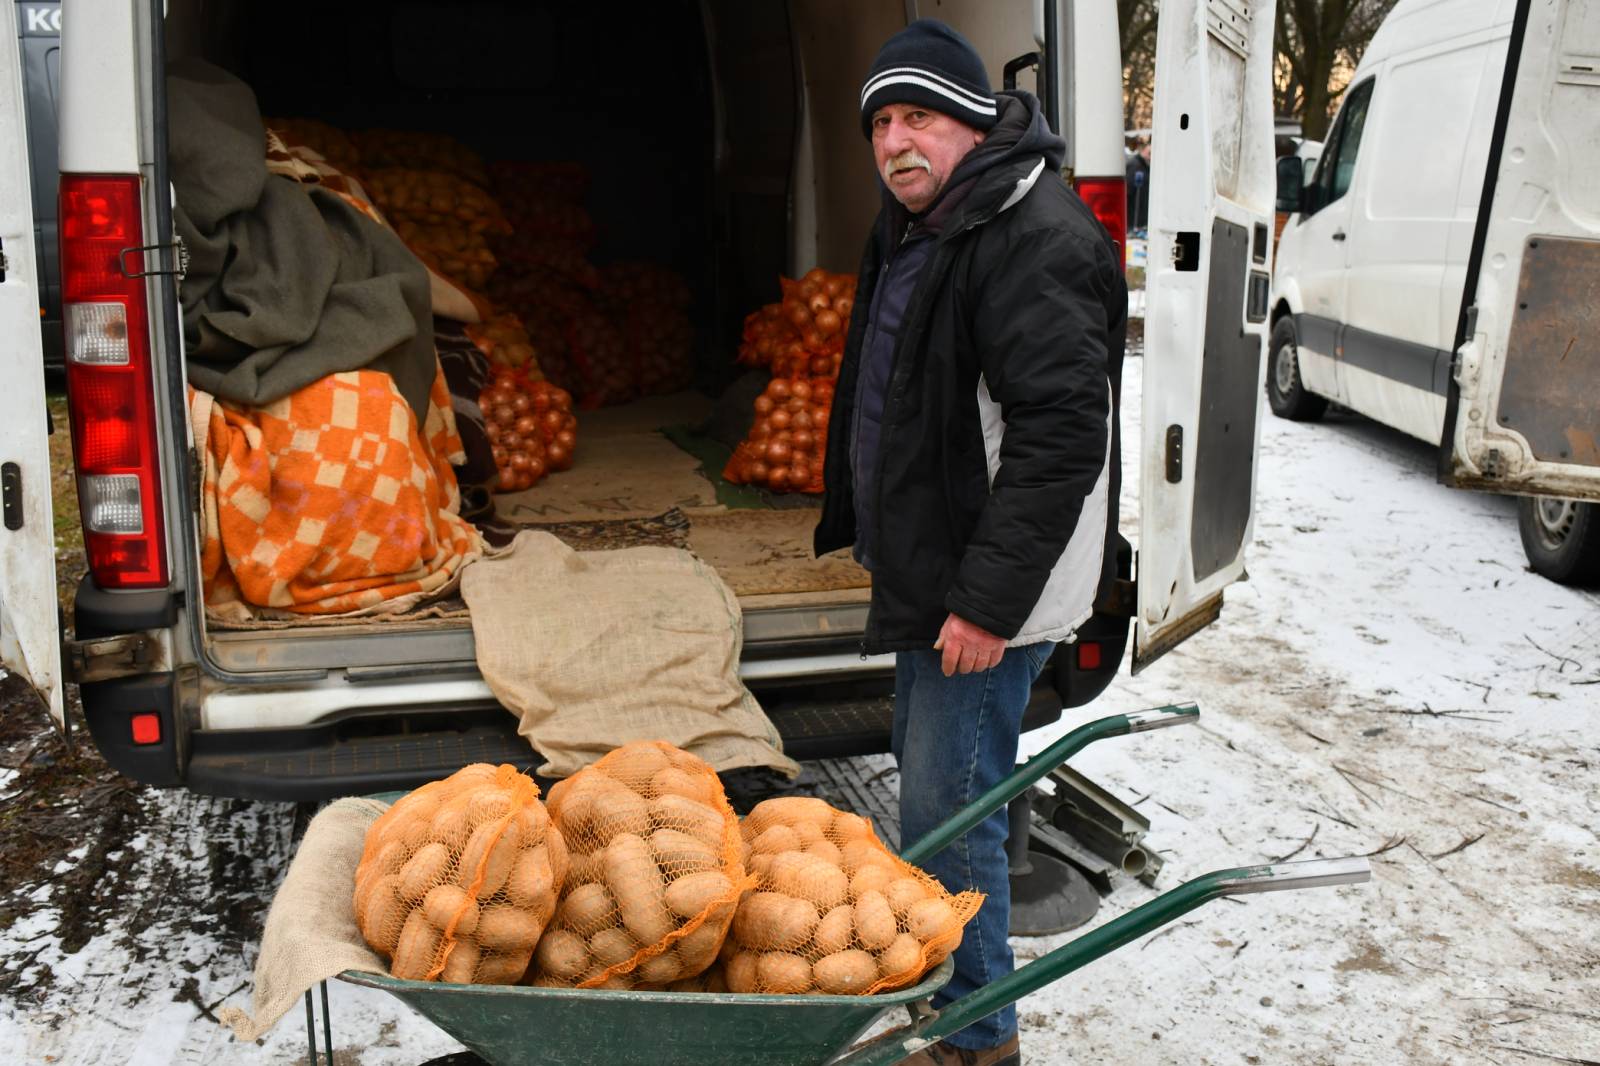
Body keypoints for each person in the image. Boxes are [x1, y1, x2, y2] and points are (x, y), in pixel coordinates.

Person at [814, 18, 1127, 1066]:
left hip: (990, 592)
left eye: (922, 117)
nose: (897, 141)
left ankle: (975, 1040)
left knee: (953, 823)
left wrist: (987, 604)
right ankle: (953, 1016)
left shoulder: (1033, 237)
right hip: (934, 570)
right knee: (935, 804)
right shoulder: (925, 219)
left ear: (975, 121)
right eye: (883, 122)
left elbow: (1057, 439)